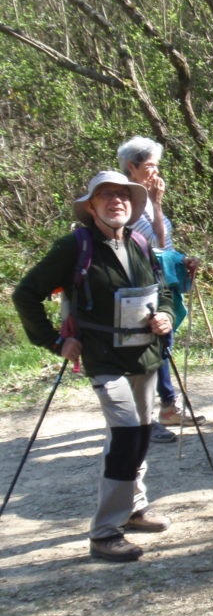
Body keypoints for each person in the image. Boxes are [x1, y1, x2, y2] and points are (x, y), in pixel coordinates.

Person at [13, 171, 176, 562]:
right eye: (106, 196)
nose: (116, 201)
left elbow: (163, 289)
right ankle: (104, 532)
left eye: (123, 195)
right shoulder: (75, 246)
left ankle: (135, 509)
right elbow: (26, 294)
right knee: (126, 436)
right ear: (91, 205)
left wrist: (166, 315)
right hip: (104, 358)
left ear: (132, 205)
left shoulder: (139, 241)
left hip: (145, 356)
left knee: (137, 434)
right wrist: (56, 340)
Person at [116, 135, 205, 443]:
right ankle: (148, 416)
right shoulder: (124, 203)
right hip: (134, 287)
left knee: (162, 343)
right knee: (149, 349)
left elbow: (164, 247)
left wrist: (181, 262)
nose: (155, 171)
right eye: (150, 165)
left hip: (157, 283)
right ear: (132, 167)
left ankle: (167, 405)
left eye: (156, 165)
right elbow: (154, 245)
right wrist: (155, 204)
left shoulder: (147, 200)